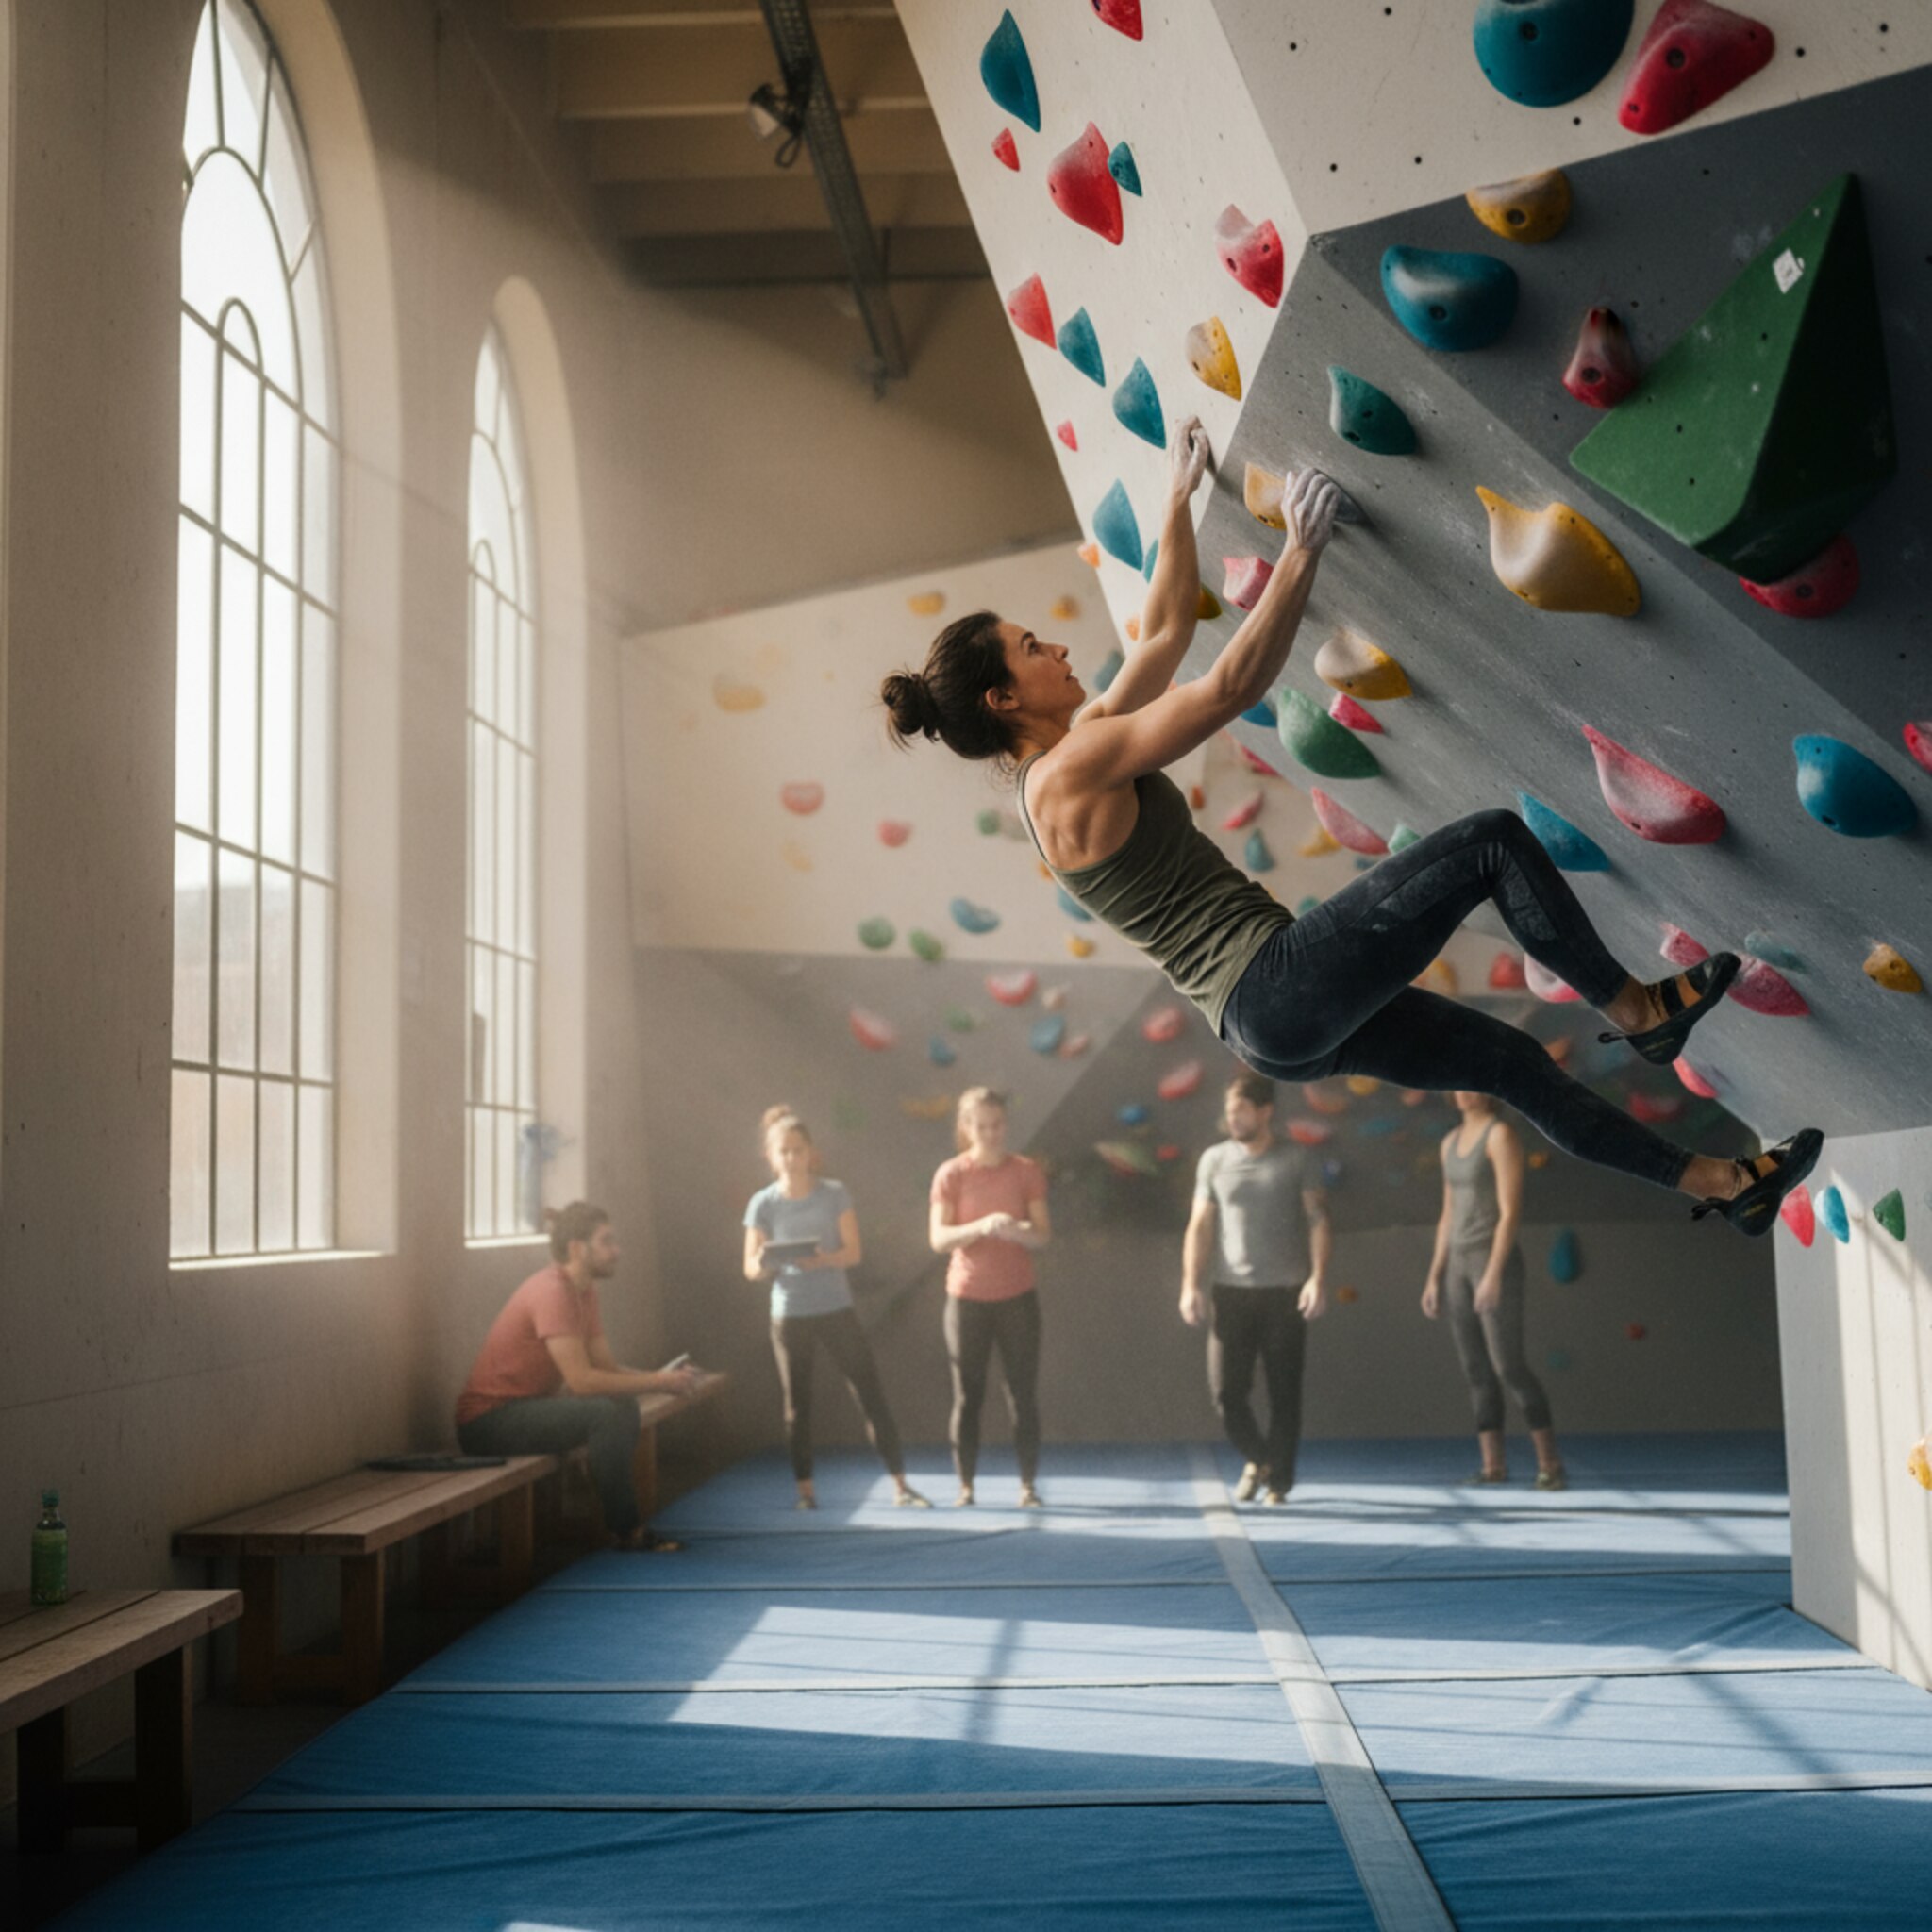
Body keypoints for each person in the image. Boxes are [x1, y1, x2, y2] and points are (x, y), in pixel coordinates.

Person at [879, 414, 1820, 1236]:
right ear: (1004, 696)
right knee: (1490, 841)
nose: (1051, 645)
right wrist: (1300, 547)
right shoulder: (1064, 773)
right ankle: (1636, 1011)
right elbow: (1227, 685)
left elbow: (1163, 634)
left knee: (1511, 1062)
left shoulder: (1074, 747)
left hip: (1272, 1022)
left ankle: (1721, 1181)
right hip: (1271, 988)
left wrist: (1175, 498)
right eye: (1030, 648)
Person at [456, 1202, 701, 1552]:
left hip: (526, 1409)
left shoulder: (584, 1291)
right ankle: (625, 1531)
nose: (617, 1250)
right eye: (607, 1241)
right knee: (604, 1414)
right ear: (576, 1248)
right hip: (487, 1422)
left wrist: (662, 1376)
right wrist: (659, 1383)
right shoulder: (553, 1291)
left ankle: (617, 1524)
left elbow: (606, 1369)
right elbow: (582, 1382)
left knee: (621, 1405)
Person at [743, 1106, 929, 1511]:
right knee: (797, 1406)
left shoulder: (834, 1193)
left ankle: (901, 1484)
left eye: (798, 1150)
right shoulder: (763, 1204)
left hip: (835, 1307)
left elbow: (853, 1253)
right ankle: (805, 1492)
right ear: (772, 1157)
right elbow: (750, 1266)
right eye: (784, 1152)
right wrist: (766, 1262)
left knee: (870, 1392)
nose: (792, 1158)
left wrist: (823, 1259)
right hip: (789, 1313)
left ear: (811, 1152)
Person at [1182, 1074, 1330, 1505]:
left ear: (1265, 1111)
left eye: (1242, 1110)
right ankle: (1261, 1460)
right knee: (1227, 1393)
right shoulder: (1213, 1160)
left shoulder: (1296, 1158)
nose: (1234, 1118)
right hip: (1231, 1292)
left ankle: (1277, 1484)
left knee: (1285, 1393)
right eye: (1229, 1111)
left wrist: (1318, 1278)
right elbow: (1200, 1225)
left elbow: (1319, 1220)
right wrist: (1190, 1284)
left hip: (1286, 1292)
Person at [1423, 1092, 1565, 1490]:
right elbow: (1447, 1214)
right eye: (1458, 1084)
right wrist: (1435, 1274)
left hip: (1492, 1258)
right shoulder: (1449, 1143)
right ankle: (1493, 1466)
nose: (1464, 1091)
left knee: (1508, 1366)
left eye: (1472, 1083)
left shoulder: (1499, 1135)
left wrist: (1494, 1272)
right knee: (1476, 1369)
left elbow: (1509, 1210)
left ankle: (1550, 1464)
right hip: (1458, 1263)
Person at [929, 1087, 1051, 1507]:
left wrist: (1014, 1231)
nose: (990, 1133)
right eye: (981, 1126)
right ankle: (966, 1486)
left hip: (1017, 1298)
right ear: (966, 1128)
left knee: (1022, 1392)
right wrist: (980, 1227)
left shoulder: (1025, 1170)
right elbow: (939, 1238)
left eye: (996, 1124)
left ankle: (1028, 1485)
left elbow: (1041, 1236)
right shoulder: (952, 1174)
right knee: (968, 1393)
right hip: (967, 1299)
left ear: (1005, 1124)